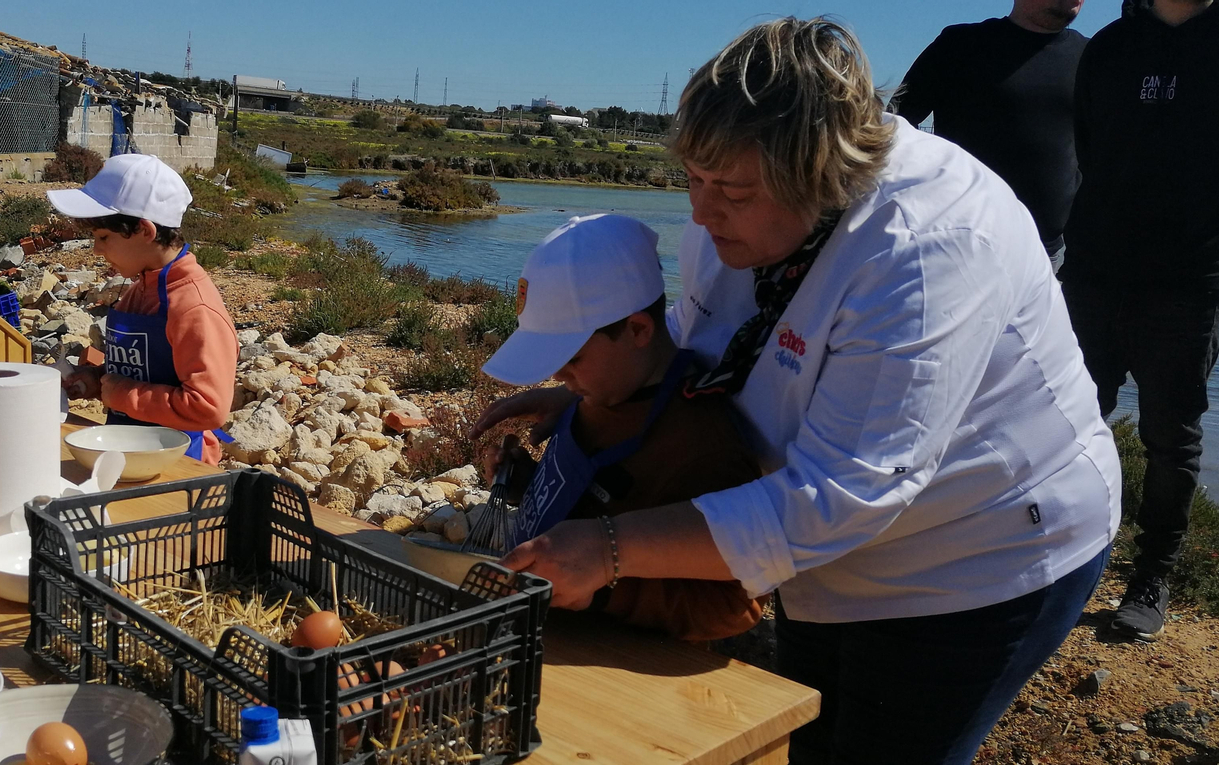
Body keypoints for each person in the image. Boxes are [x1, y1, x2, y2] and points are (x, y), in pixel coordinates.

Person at [471, 18, 1119, 764]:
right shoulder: (737, 210)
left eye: (732, 192)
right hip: (824, 553)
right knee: (808, 736)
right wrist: (592, 396)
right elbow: (702, 331)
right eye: (694, 180)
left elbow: (839, 497)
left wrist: (609, 549)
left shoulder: (926, 248)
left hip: (980, 553)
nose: (702, 212)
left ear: (819, 172)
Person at [478, 213, 766, 642]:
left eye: (572, 359)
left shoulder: (702, 443)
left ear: (637, 329)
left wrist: (604, 589)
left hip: (616, 666)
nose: (558, 376)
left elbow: (735, 608)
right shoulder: (603, 392)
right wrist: (526, 484)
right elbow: (597, 501)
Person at [1061, 0, 1219, 642]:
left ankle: (1151, 575)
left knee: (1173, 435)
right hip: (1092, 269)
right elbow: (1090, 147)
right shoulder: (1109, 47)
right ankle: (1059, 555)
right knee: (1067, 420)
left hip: (1188, 282)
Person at [47, 153, 237, 465]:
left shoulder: (194, 308)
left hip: (179, 464)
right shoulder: (139, 290)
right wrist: (97, 381)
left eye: (104, 237)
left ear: (146, 231)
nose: (96, 249)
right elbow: (142, 370)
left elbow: (208, 407)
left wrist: (122, 395)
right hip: (130, 451)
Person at [890, 0, 1087, 267]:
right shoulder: (960, 45)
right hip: (957, 249)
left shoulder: (1091, 57)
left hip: (1048, 256)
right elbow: (892, 128)